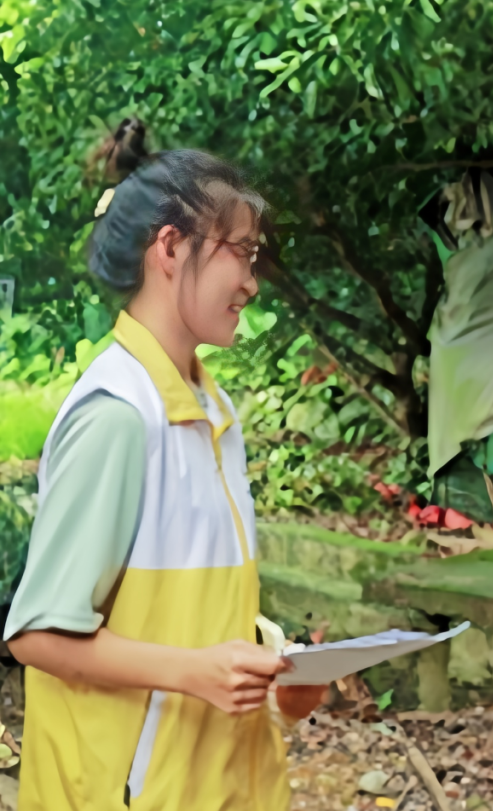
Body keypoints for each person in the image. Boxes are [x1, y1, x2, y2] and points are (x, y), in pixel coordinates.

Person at [4, 150, 323, 810]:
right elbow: (35, 631)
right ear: (171, 248)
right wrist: (195, 672)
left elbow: (194, 607)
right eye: (241, 252)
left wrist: (275, 672)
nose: (253, 282)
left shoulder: (214, 412)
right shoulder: (118, 417)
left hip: (219, 781)